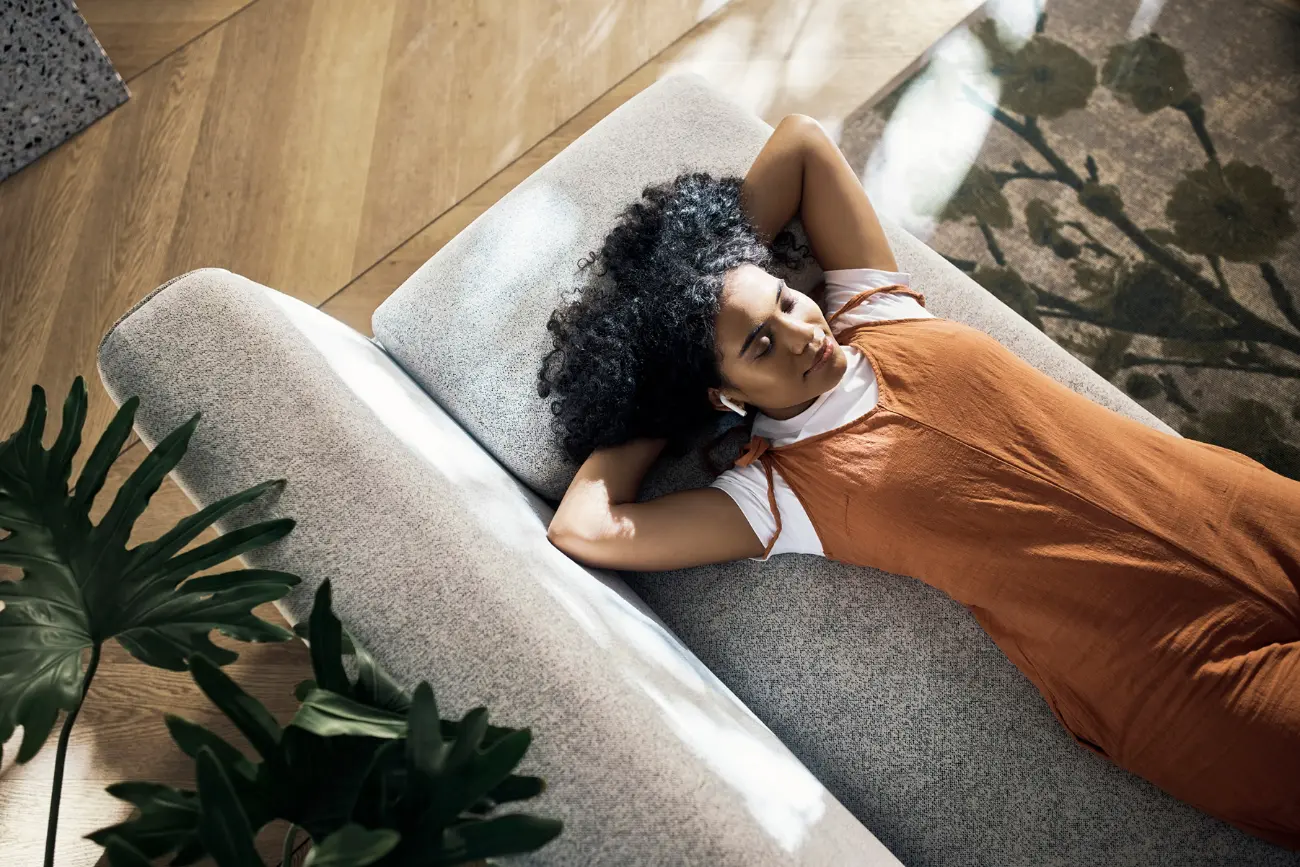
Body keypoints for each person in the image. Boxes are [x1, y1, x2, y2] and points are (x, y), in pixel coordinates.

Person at [537, 114, 1300, 848]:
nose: (805, 332)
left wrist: (707, 271)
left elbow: (802, 142)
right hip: (1181, 677)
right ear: (722, 394)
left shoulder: (878, 309)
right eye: (763, 344)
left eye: (788, 299)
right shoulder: (777, 496)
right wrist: (660, 391)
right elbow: (584, 527)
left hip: (1242, 515)